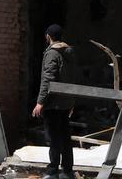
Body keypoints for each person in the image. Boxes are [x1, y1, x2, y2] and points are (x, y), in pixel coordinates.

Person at [33, 24, 76, 179]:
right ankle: (67, 171)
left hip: (53, 103)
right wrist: (71, 101)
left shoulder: (52, 53)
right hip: (66, 102)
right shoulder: (69, 53)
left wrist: (40, 102)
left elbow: (48, 79)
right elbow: (73, 79)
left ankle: (53, 171)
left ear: (48, 36)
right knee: (65, 137)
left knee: (53, 137)